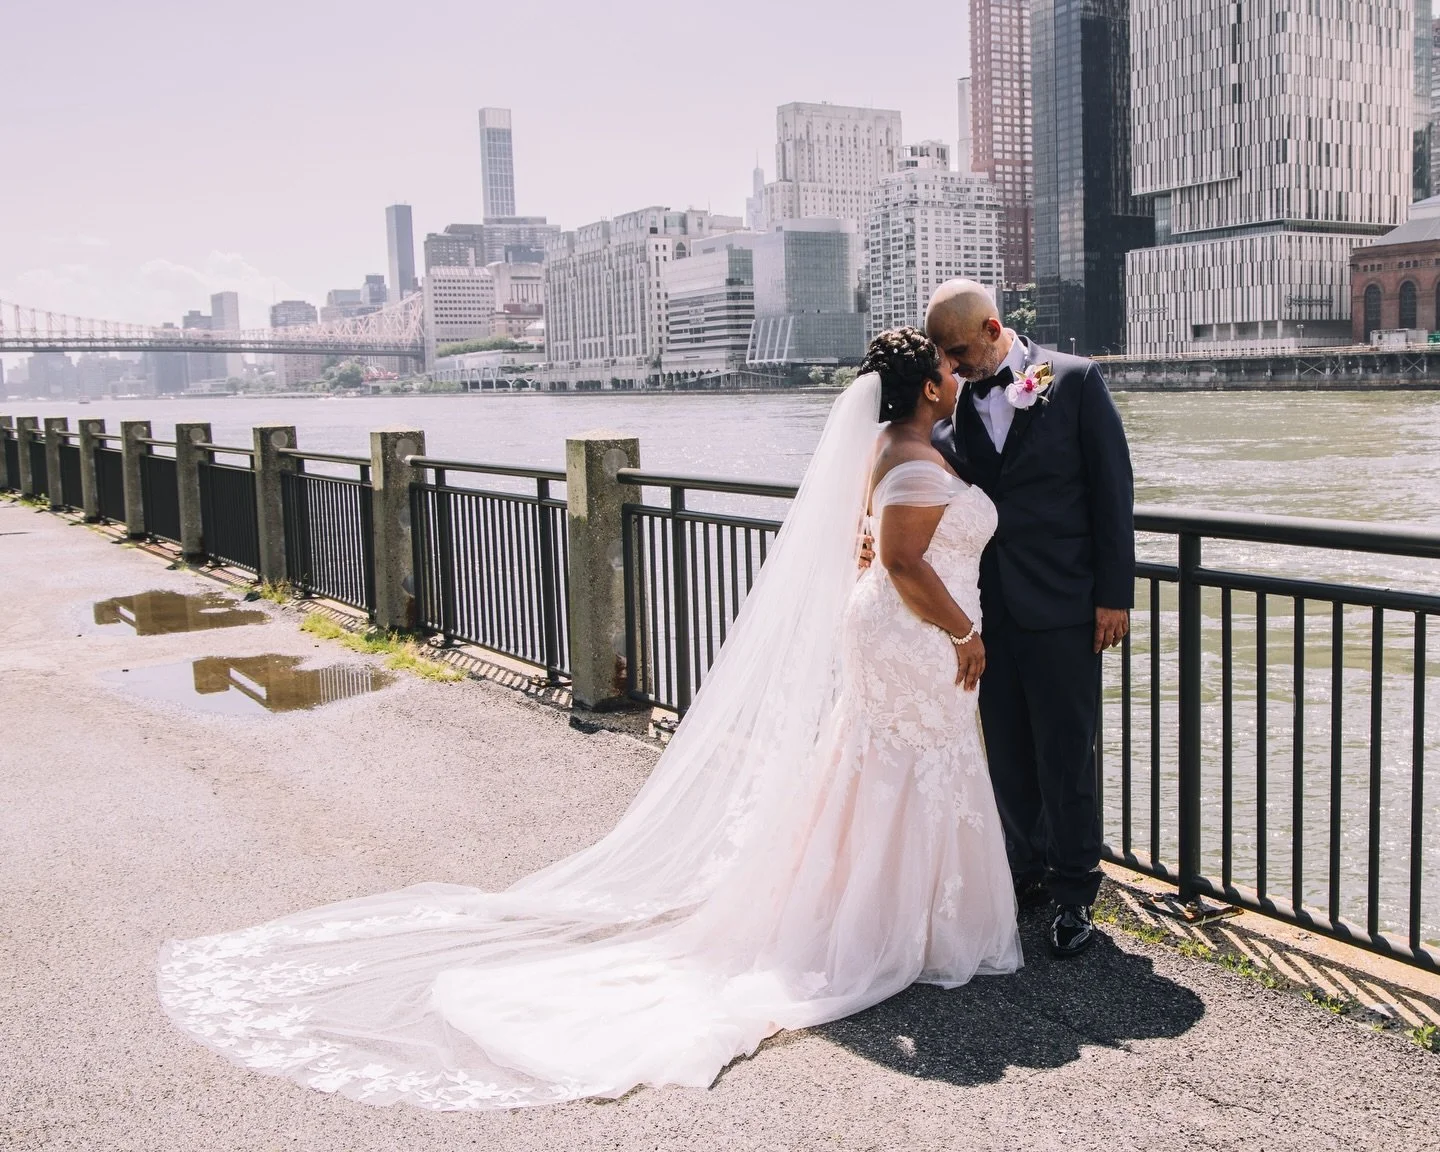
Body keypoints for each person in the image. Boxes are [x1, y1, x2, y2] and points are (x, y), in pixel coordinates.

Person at [156, 329, 1022, 1111]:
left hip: (897, 633)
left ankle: (883, 916)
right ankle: (894, 926)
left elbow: (877, 542)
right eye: (947, 369)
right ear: (927, 387)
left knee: (880, 766)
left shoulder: (890, 447)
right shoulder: (911, 457)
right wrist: (965, 631)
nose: (956, 376)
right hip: (919, 634)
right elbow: (901, 559)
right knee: (906, 762)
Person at [924, 279, 1135, 958]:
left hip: (1066, 607)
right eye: (944, 358)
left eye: (959, 352)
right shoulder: (952, 410)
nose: (952, 367)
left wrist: (1114, 595)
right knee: (1008, 753)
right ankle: (1027, 868)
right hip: (989, 612)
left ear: (993, 330)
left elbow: (1112, 491)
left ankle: (1076, 893)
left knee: (1067, 756)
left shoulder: (1073, 380)